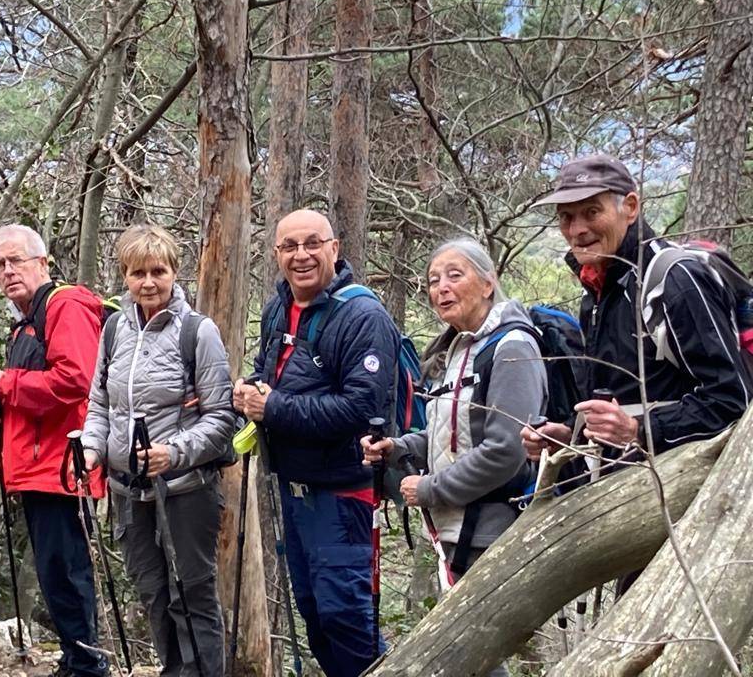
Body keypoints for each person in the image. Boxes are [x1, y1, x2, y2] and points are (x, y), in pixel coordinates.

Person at [361, 239, 546, 677]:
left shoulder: (512, 348)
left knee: (475, 653)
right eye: (433, 280)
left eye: (454, 275)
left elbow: (506, 449)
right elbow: (450, 432)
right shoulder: (458, 350)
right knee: (474, 656)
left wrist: (428, 489)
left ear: (488, 283)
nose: (441, 287)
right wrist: (403, 447)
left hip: (493, 531)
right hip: (458, 530)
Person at [233, 209, 399, 677]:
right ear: (277, 254)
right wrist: (247, 391)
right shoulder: (277, 308)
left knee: (346, 617)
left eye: (312, 244)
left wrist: (274, 408)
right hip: (294, 487)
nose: (301, 255)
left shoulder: (362, 316)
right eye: (290, 246)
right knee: (314, 614)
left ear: (334, 248)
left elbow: (361, 410)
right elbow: (272, 375)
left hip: (344, 492)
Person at [522, 154, 751, 468]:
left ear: (630, 207)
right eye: (566, 217)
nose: (577, 229)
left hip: (683, 489)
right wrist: (569, 439)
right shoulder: (599, 290)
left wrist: (640, 430)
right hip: (631, 482)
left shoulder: (672, 281)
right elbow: (623, 406)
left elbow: (734, 399)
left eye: (591, 212)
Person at [81, 223, 235, 677]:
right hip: (127, 490)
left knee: (192, 591)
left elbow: (221, 418)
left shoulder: (197, 332)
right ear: (124, 276)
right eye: (137, 273)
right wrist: (92, 447)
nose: (148, 282)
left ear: (173, 272)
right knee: (151, 589)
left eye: (158, 271)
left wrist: (174, 452)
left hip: (186, 488)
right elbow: (98, 403)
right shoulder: (113, 330)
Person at [0, 224, 108, 677]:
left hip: (64, 466)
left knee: (66, 569)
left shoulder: (65, 306)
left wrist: (7, 384)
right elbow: (32, 395)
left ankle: (87, 666)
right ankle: (75, 661)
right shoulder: (24, 324)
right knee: (54, 570)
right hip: (37, 467)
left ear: (43, 263)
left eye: (17, 260)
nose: (9, 271)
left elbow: (76, 381)